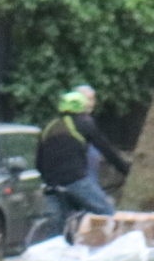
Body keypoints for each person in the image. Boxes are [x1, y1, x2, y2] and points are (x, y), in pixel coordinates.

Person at [32, 85, 133, 245]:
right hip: (76, 180)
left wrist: (49, 178)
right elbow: (106, 150)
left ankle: (50, 256)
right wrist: (126, 170)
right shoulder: (85, 123)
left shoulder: (49, 127)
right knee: (106, 212)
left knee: (56, 226)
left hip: (52, 184)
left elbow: (38, 162)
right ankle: (111, 249)